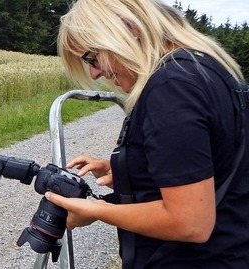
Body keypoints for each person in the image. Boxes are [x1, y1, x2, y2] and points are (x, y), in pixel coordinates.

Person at [49, 0, 249, 268]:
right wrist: (127, 169)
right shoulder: (205, 70)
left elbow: (190, 222)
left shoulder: (172, 86)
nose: (95, 73)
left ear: (128, 29)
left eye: (92, 58)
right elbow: (210, 160)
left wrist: (98, 210)